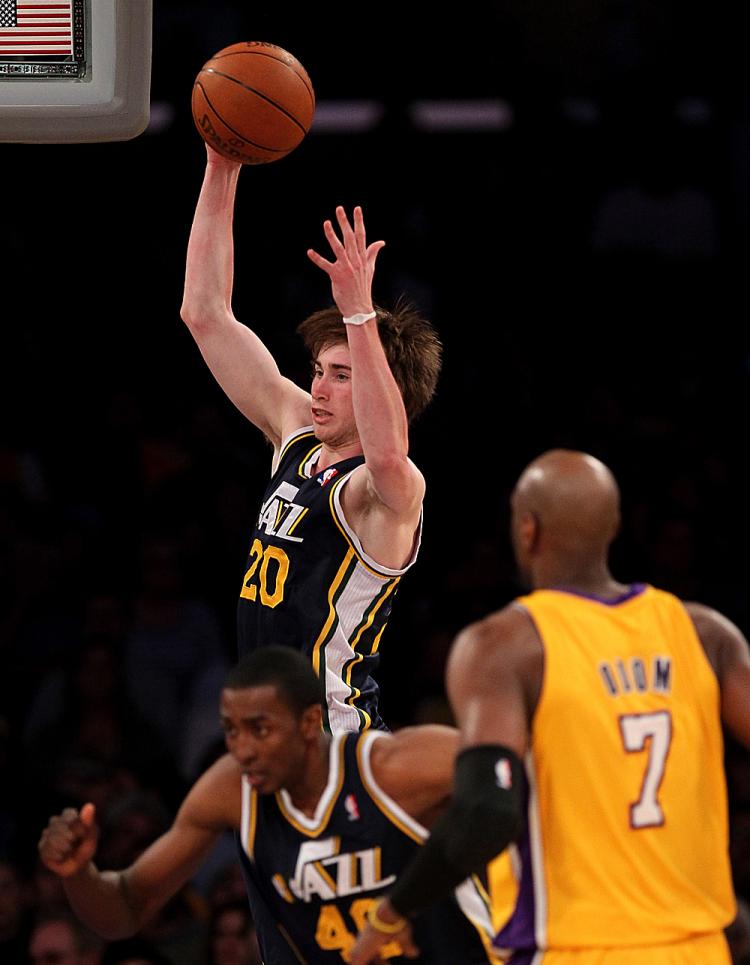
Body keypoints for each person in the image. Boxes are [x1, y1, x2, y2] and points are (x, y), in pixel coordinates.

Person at [350, 448, 750, 964]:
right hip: (698, 949)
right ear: (614, 526)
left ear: (527, 530)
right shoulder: (705, 634)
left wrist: (394, 912)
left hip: (571, 946)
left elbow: (486, 807)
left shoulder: (506, 646)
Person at [180, 147, 441, 734]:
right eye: (319, 370)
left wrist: (359, 315)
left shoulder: (383, 492)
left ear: (384, 389)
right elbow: (205, 313)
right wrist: (222, 166)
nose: (319, 388)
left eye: (341, 375)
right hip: (267, 729)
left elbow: (388, 451)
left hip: (336, 738)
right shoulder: (297, 432)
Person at [38, 646, 500, 964]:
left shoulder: (395, 769)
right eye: (232, 731)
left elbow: (528, 782)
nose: (244, 749)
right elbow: (124, 908)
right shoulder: (231, 791)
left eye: (260, 729)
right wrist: (78, 874)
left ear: (308, 722)